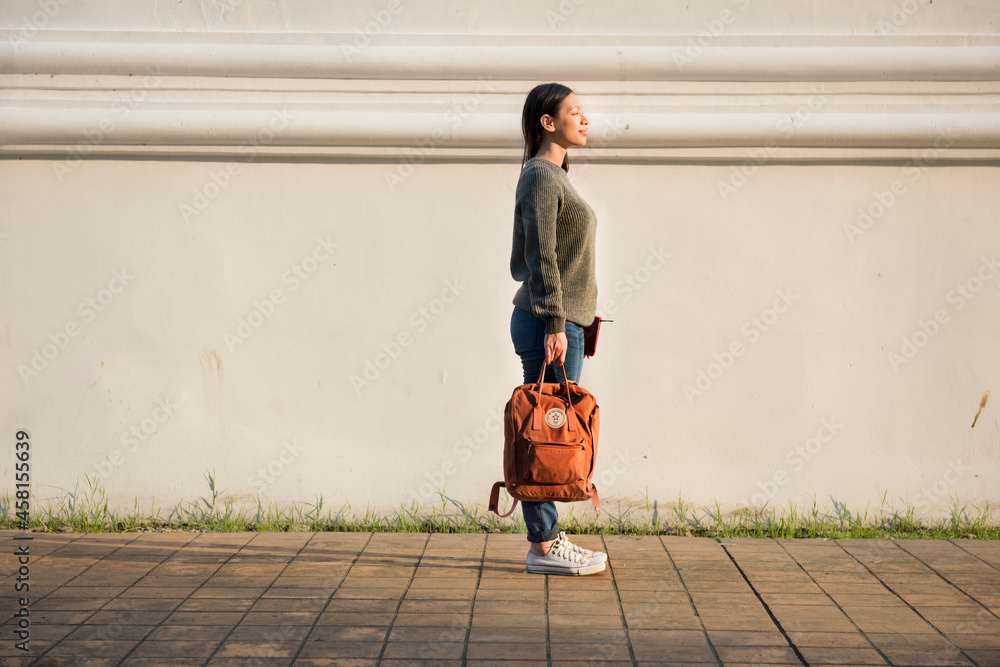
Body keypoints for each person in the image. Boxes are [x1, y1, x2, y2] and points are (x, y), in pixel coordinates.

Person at [509, 82, 608, 576]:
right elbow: (539, 257)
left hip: (562, 320)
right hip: (549, 323)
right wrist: (554, 321)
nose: (585, 119)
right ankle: (544, 546)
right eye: (575, 112)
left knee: (549, 429)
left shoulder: (552, 176)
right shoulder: (542, 177)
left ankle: (546, 538)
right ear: (548, 122)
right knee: (542, 433)